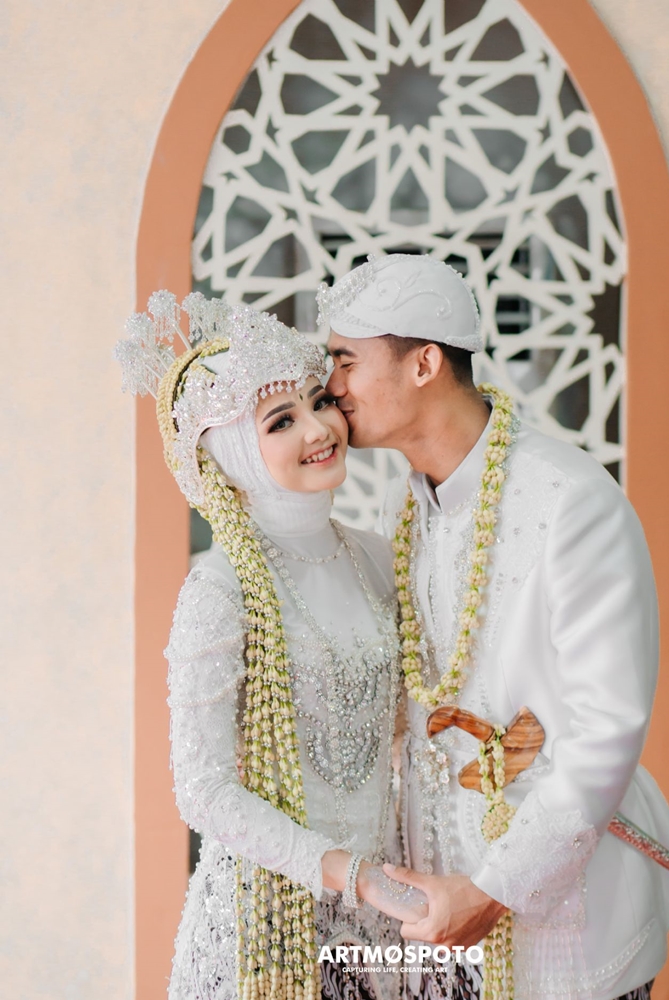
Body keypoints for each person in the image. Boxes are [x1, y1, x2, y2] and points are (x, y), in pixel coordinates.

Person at [319, 254, 669, 1000]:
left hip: (566, 922)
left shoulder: (570, 500)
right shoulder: (412, 507)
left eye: (345, 360)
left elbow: (606, 730)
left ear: (424, 363)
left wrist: (494, 890)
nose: (331, 386)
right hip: (440, 925)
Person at [115, 291, 426, 1000]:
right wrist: (349, 873)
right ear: (228, 456)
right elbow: (203, 791)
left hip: (382, 920)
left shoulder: (376, 558)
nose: (318, 429)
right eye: (281, 421)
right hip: (264, 926)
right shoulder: (220, 589)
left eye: (319, 401)